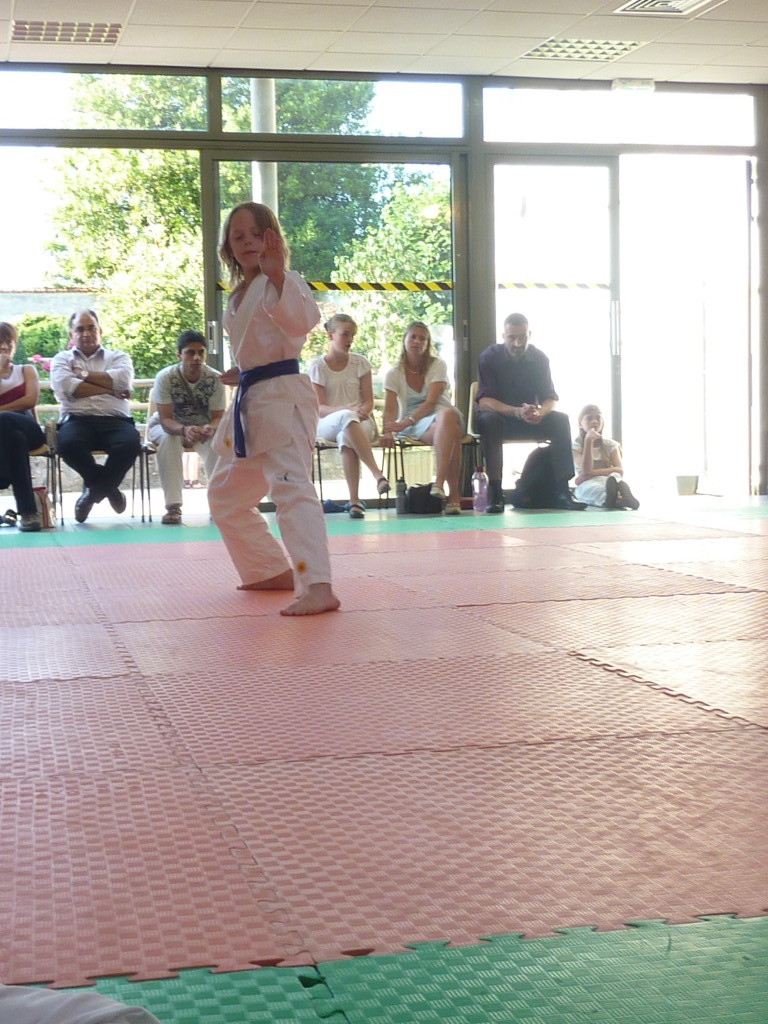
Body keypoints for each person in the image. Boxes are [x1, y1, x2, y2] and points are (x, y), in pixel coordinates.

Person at [207, 200, 340, 616]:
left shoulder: (284, 279)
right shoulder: (238, 294)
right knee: (224, 494)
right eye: (238, 236)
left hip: (283, 398)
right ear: (228, 247)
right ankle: (268, 569)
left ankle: (317, 584)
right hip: (253, 398)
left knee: (291, 487)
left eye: (256, 234)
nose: (248, 242)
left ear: (273, 239)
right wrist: (245, 369)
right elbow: (259, 345)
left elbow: (302, 323)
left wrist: (279, 275)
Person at [475, 312, 583, 513]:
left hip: (530, 418)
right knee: (489, 421)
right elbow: (484, 400)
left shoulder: (540, 358)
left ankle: (563, 491)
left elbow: (550, 397)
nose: (517, 343)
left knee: (560, 420)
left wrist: (541, 412)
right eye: (512, 338)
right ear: (503, 336)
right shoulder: (489, 357)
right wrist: (516, 411)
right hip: (501, 417)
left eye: (522, 337)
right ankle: (495, 492)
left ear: (529, 335)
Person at [50, 310, 141, 524]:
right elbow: (69, 388)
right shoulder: (62, 359)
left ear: (100, 330)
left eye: (91, 328)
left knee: (130, 443)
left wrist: (82, 375)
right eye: (80, 329)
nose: (86, 333)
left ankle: (91, 494)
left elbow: (123, 381)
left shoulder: (118, 357)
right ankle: (110, 490)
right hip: (77, 420)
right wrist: (110, 388)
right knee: (68, 444)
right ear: (71, 334)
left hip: (116, 421)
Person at [309, 313, 389, 519]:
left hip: (359, 422)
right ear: (330, 335)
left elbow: (369, 401)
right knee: (346, 417)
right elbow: (320, 408)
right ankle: (377, 474)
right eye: (345, 334)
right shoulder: (318, 366)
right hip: (328, 423)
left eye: (352, 335)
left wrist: (363, 410)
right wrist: (348, 410)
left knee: (346, 435)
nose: (350, 340)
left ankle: (354, 502)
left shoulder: (361, 363)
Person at [382, 320, 464, 515]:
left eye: (423, 339)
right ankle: (453, 496)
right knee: (452, 435)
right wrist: (388, 431)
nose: (417, 342)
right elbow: (390, 409)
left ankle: (439, 483)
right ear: (404, 340)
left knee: (448, 416)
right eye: (413, 337)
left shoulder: (438, 365)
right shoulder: (393, 373)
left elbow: (431, 402)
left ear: (428, 344)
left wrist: (405, 422)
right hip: (415, 426)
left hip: (440, 415)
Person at [148, 329, 227, 525]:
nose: (196, 358)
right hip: (169, 427)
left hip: (201, 428)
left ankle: (218, 505)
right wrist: (184, 429)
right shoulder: (165, 377)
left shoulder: (215, 379)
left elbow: (219, 417)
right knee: (169, 440)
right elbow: (166, 419)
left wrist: (210, 428)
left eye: (200, 352)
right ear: (179, 355)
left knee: (216, 443)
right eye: (190, 353)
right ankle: (173, 506)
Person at [0, 321, 46, 532]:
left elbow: (30, 400)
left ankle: (3, 478)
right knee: (14, 439)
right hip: (9, 437)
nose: (4, 347)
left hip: (29, 428)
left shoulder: (26, 370)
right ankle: (28, 513)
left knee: (6, 422)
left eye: (8, 342)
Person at [572, 403, 640, 509]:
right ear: (580, 424)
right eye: (589, 418)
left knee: (615, 477)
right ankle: (618, 500)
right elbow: (586, 470)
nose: (594, 421)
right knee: (592, 490)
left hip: (607, 480)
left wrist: (591, 473)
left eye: (598, 418)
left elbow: (619, 470)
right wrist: (588, 440)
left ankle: (618, 495)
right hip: (589, 482)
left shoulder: (611, 444)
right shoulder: (576, 446)